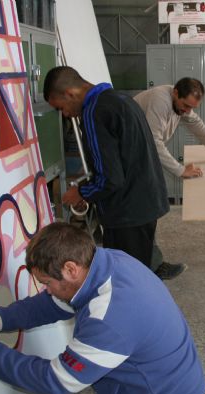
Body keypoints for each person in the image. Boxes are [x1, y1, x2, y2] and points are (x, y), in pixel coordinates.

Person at [0, 222, 205, 394]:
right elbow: (52, 302)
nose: (47, 290)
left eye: (46, 283)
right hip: (178, 384)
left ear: (70, 269)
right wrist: (0, 317)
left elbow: (58, 380)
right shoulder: (108, 262)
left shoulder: (109, 318)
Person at [43, 66, 168, 269]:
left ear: (70, 93)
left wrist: (82, 192)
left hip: (127, 213)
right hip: (145, 203)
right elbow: (122, 161)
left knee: (124, 278)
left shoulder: (94, 113)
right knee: (139, 272)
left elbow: (111, 179)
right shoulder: (121, 99)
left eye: (61, 107)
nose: (65, 114)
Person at [134, 78, 205, 280]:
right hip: (132, 155)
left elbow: (195, 122)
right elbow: (153, 142)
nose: (188, 111)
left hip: (141, 152)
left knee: (146, 210)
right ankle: (152, 267)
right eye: (186, 105)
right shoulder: (160, 101)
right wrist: (180, 170)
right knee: (145, 210)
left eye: (192, 107)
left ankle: (147, 263)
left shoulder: (180, 105)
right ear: (176, 92)